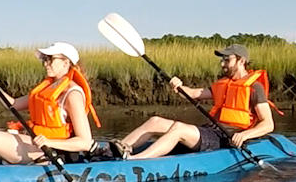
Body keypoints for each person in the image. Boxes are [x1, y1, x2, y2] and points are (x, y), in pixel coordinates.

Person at [0, 42, 101, 165]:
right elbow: (12, 104)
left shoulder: (72, 94)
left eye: (50, 59)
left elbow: (84, 142)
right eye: (44, 59)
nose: (45, 63)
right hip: (34, 144)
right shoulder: (48, 87)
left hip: (51, 151)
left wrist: (49, 143)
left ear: (66, 63)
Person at [117, 43, 280, 160]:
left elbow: (268, 124)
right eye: (221, 60)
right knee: (155, 121)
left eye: (227, 60)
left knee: (179, 129)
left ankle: (136, 160)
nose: (222, 64)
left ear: (241, 61)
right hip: (211, 131)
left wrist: (244, 135)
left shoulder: (254, 87)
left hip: (226, 137)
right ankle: (114, 151)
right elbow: (194, 93)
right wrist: (179, 86)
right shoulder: (222, 84)